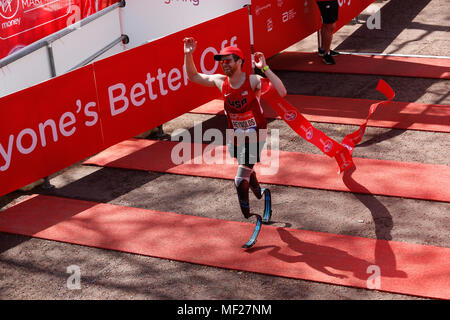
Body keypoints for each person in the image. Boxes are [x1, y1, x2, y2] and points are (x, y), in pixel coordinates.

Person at [183, 37, 287, 221]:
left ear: (239, 61)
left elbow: (282, 91)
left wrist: (265, 68)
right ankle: (258, 192)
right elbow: (194, 76)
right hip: (235, 136)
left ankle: (250, 216)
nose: (224, 65)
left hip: (256, 135)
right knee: (247, 169)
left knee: (240, 179)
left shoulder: (253, 80)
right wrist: (188, 54)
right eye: (222, 61)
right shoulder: (220, 81)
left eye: (228, 60)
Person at [316, 0, 340, 65]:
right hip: (326, 1)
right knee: (330, 26)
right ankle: (326, 54)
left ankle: (323, 49)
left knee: (326, 24)